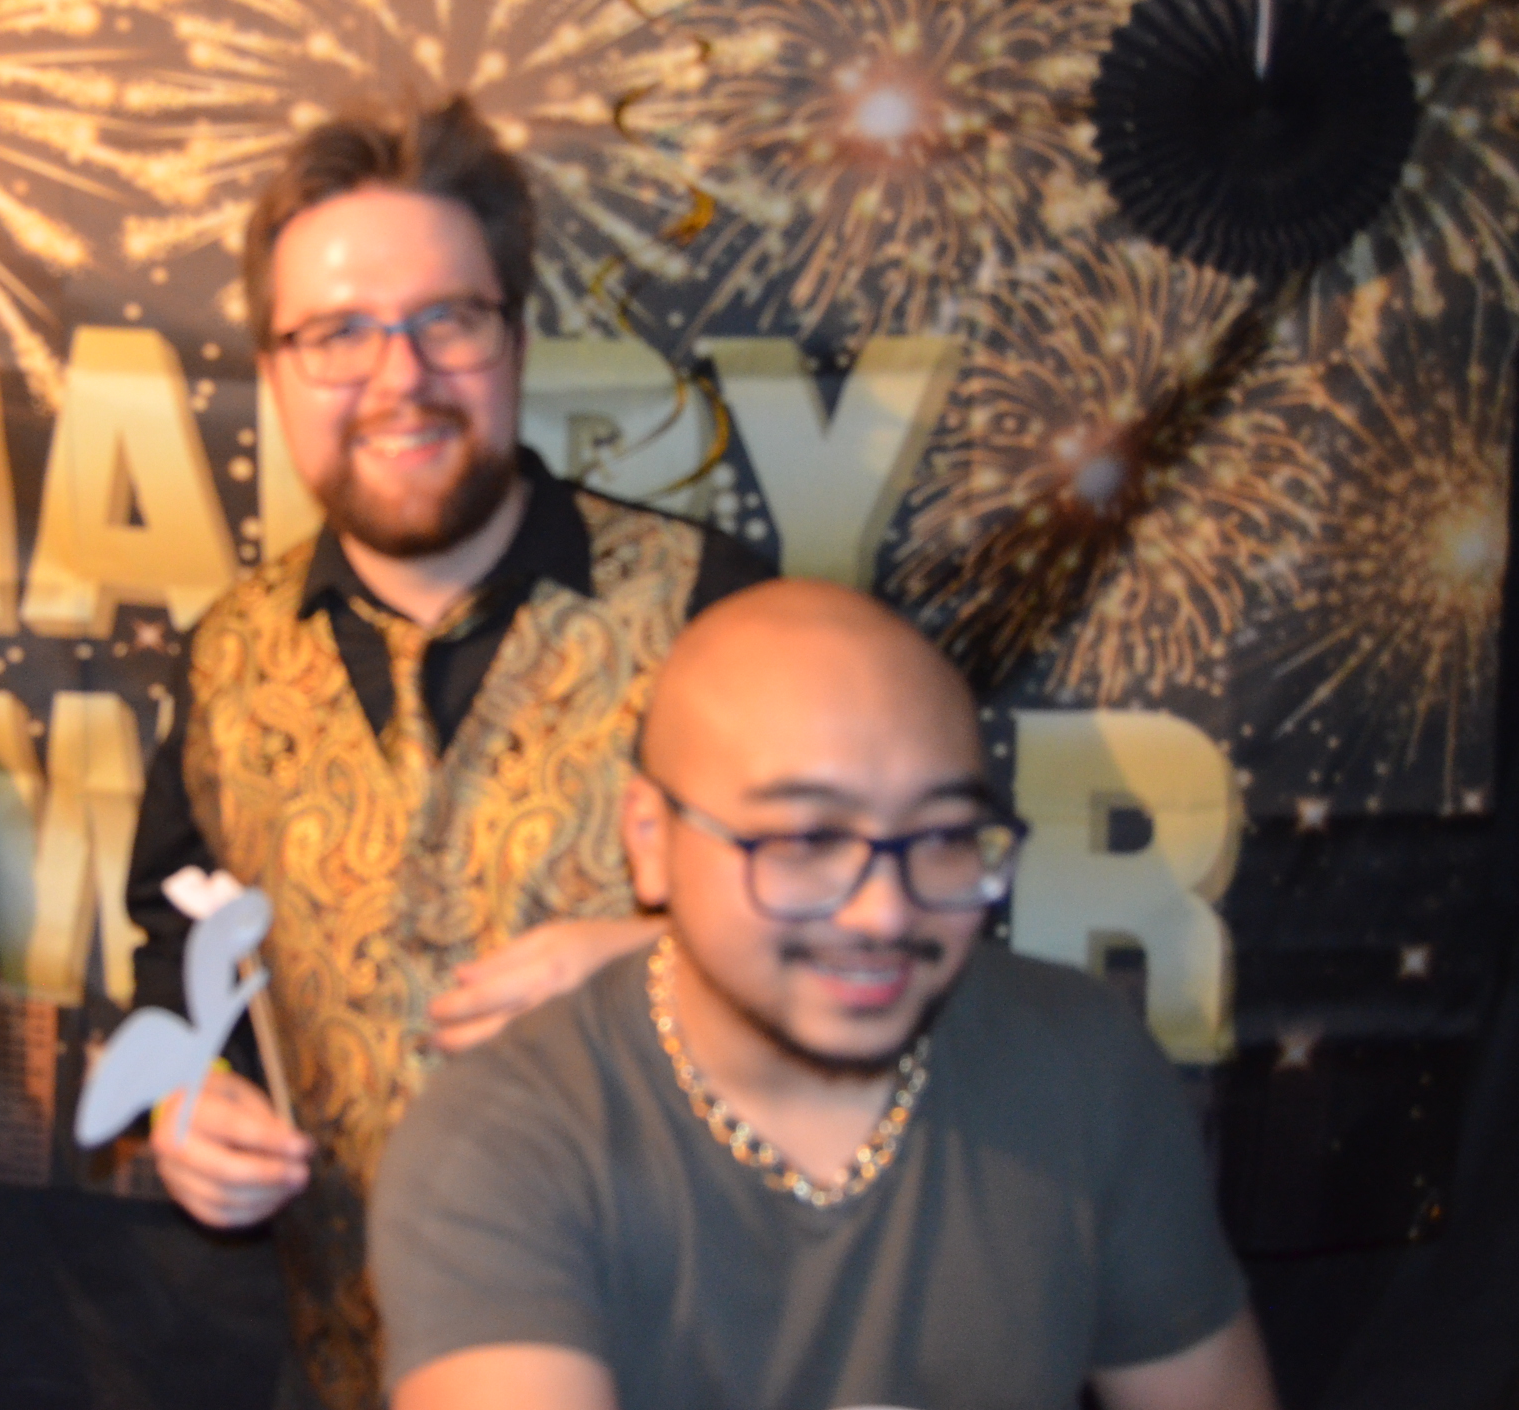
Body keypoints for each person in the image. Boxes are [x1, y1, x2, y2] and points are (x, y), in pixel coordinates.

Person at [128, 99, 773, 1409]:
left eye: (448, 319)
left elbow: (883, 944)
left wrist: (664, 974)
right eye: (336, 334)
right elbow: (174, 949)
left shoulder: (718, 613)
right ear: (272, 371)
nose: (399, 378)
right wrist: (185, 1092)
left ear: (516, 339)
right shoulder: (224, 657)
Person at [370, 580, 1281, 1410]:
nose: (884, 912)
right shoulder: (502, 1143)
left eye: (944, 835)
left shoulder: (1080, 1062)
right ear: (650, 839)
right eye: (804, 842)